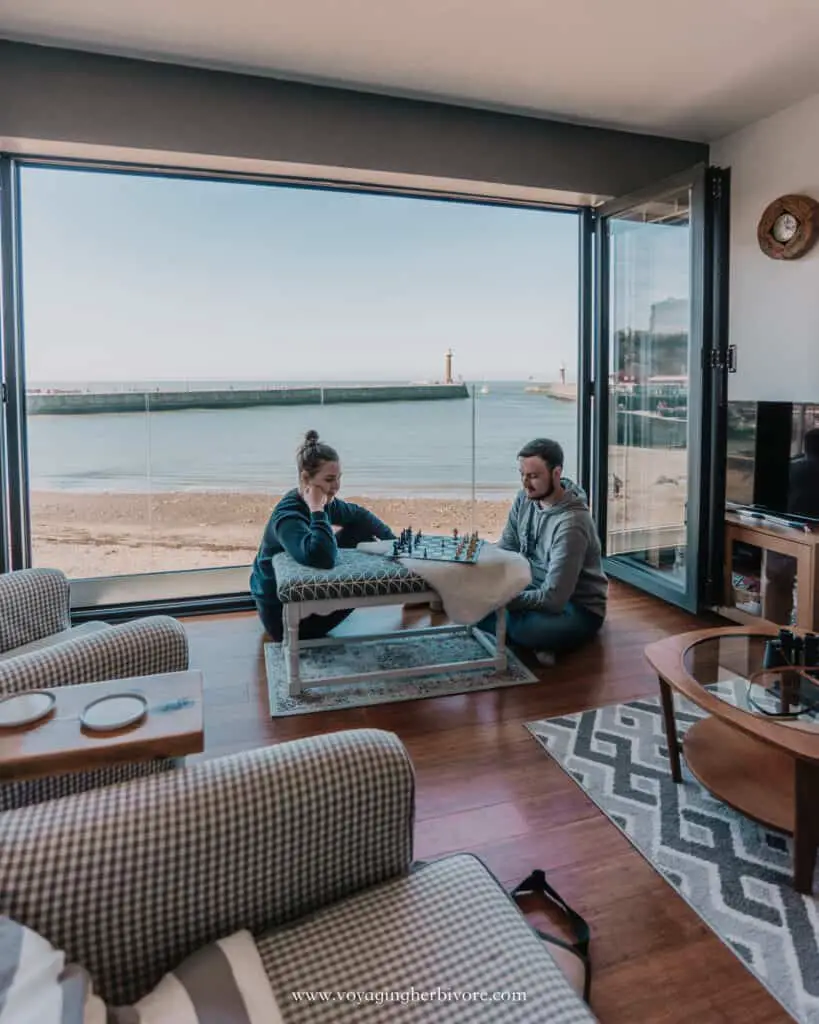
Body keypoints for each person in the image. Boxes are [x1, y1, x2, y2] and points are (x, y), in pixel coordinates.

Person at [250, 430, 395, 641]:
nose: (336, 487)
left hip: (302, 582)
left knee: (358, 528)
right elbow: (322, 558)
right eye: (329, 479)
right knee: (345, 570)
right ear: (305, 479)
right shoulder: (288, 516)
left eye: (338, 479)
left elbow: (360, 515)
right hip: (281, 617)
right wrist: (317, 509)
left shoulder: (325, 499)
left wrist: (394, 543)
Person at [477, 438, 607, 664]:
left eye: (534, 476)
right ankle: (531, 642)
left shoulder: (572, 523)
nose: (525, 484)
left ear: (556, 473)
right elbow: (507, 548)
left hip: (576, 607)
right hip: (530, 586)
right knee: (473, 602)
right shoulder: (525, 498)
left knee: (531, 629)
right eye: (522, 475)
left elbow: (554, 598)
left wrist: (505, 600)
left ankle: (531, 638)